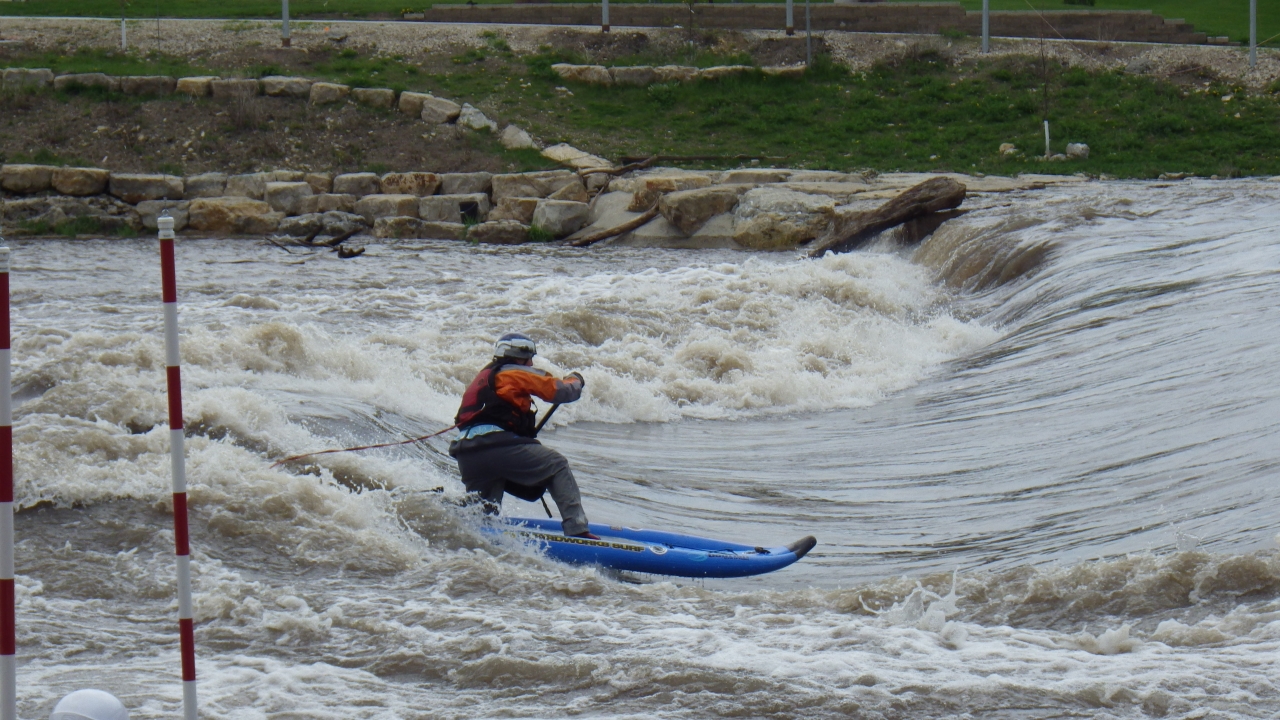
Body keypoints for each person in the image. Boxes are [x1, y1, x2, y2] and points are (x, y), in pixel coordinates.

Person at [448, 332, 598, 539]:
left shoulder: (484, 377)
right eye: (529, 358)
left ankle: (443, 509)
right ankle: (577, 529)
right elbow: (560, 390)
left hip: (468, 454)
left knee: (482, 514)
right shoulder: (513, 373)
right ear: (518, 358)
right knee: (557, 465)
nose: (531, 363)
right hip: (496, 449)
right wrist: (576, 380)